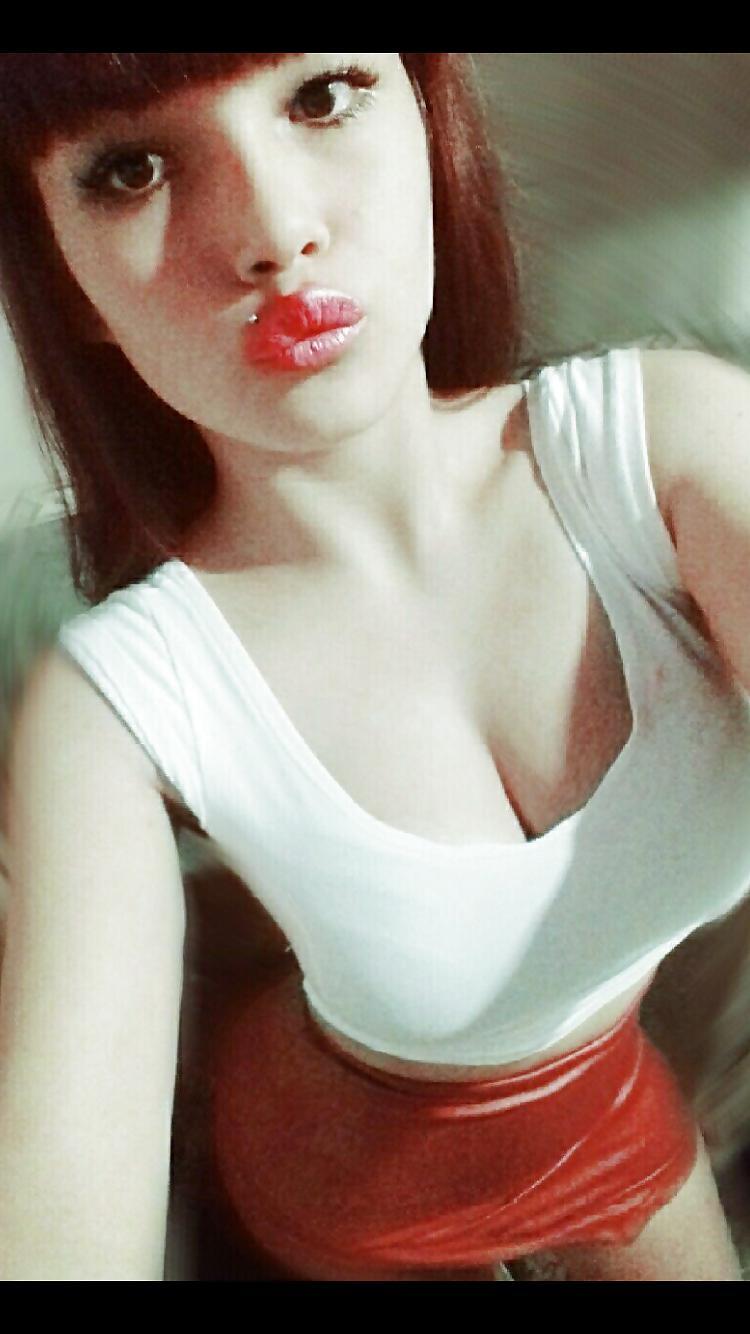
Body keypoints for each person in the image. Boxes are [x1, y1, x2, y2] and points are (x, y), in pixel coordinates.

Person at [0, 51, 748, 1282]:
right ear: (62, 271)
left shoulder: (670, 447)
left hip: (599, 1091)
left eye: (322, 95)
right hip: (341, 1164)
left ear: (426, 118)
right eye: (131, 169)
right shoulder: (110, 708)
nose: (276, 232)